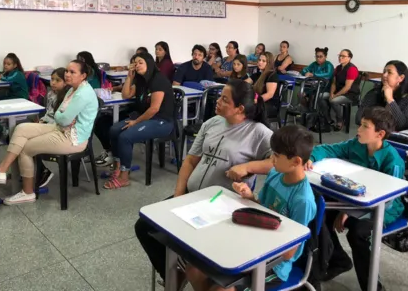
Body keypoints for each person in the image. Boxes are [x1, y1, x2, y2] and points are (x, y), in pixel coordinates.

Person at [135, 80, 274, 287]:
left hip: (222, 205)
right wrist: (179, 194)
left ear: (240, 108)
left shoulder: (258, 132)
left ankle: (189, 272)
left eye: (224, 99)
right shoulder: (212, 123)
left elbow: (278, 161)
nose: (217, 101)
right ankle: (173, 275)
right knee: (144, 226)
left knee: (195, 246)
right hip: (192, 195)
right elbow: (191, 160)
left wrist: (249, 167)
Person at [185, 124, 317, 291]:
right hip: (250, 242)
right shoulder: (276, 174)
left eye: (276, 155)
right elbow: (261, 208)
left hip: (274, 265)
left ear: (296, 161)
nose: (272, 160)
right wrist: (250, 197)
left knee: (220, 290)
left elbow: (289, 253)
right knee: (194, 270)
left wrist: (249, 252)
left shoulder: (303, 200)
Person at [0, 60, 98, 205]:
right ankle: (0, 171)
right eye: (67, 71)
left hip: (73, 138)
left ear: (83, 76)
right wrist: (63, 116)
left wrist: (62, 116)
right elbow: (61, 116)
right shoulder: (72, 89)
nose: (67, 74)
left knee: (26, 148)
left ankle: (28, 192)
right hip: (61, 128)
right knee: (21, 128)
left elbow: (62, 117)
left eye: (72, 72)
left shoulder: (83, 94)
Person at [307, 107, 404, 290]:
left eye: (364, 126)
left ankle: (373, 286)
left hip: (385, 209)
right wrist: (311, 157)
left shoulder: (393, 161)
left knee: (358, 234)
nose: (358, 130)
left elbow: (389, 199)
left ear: (380, 134)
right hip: (353, 202)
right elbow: (329, 148)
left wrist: (349, 211)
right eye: (360, 125)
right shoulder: (356, 144)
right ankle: (339, 260)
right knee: (319, 212)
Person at [104, 52, 175, 189]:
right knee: (114, 130)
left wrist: (135, 122)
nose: (137, 65)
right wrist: (129, 77)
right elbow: (126, 94)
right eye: (135, 63)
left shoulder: (158, 79)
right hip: (145, 117)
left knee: (125, 136)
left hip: (162, 121)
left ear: (149, 63)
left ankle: (124, 177)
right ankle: (118, 167)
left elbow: (154, 109)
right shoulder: (141, 79)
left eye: (140, 62)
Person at [357, 60, 408, 131]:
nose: (384, 75)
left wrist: (390, 100)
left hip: (397, 138)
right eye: (384, 72)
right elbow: (358, 118)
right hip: (373, 135)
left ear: (401, 78)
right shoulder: (375, 92)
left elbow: (402, 125)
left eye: (389, 72)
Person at [36, 67, 69, 188]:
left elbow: (58, 118)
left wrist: (44, 123)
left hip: (56, 128)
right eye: (52, 79)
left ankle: (43, 171)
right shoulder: (50, 94)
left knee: (27, 140)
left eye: (57, 80)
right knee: (15, 134)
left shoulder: (66, 97)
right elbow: (48, 113)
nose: (53, 82)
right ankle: (29, 170)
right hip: (47, 123)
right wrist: (42, 120)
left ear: (65, 83)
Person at [320, 49, 360, 131]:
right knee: (320, 96)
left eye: (343, 56)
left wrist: (334, 96)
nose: (340, 57)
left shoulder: (352, 69)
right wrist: (331, 93)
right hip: (338, 92)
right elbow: (333, 83)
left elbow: (347, 87)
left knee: (333, 101)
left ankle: (339, 120)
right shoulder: (338, 68)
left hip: (350, 94)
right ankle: (328, 119)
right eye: (340, 55)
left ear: (349, 58)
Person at [250, 52, 281, 119]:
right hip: (259, 102)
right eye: (259, 60)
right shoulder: (257, 74)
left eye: (263, 61)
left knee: (249, 109)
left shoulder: (272, 75)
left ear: (269, 63)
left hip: (270, 105)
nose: (260, 62)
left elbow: (269, 94)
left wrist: (255, 101)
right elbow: (244, 83)